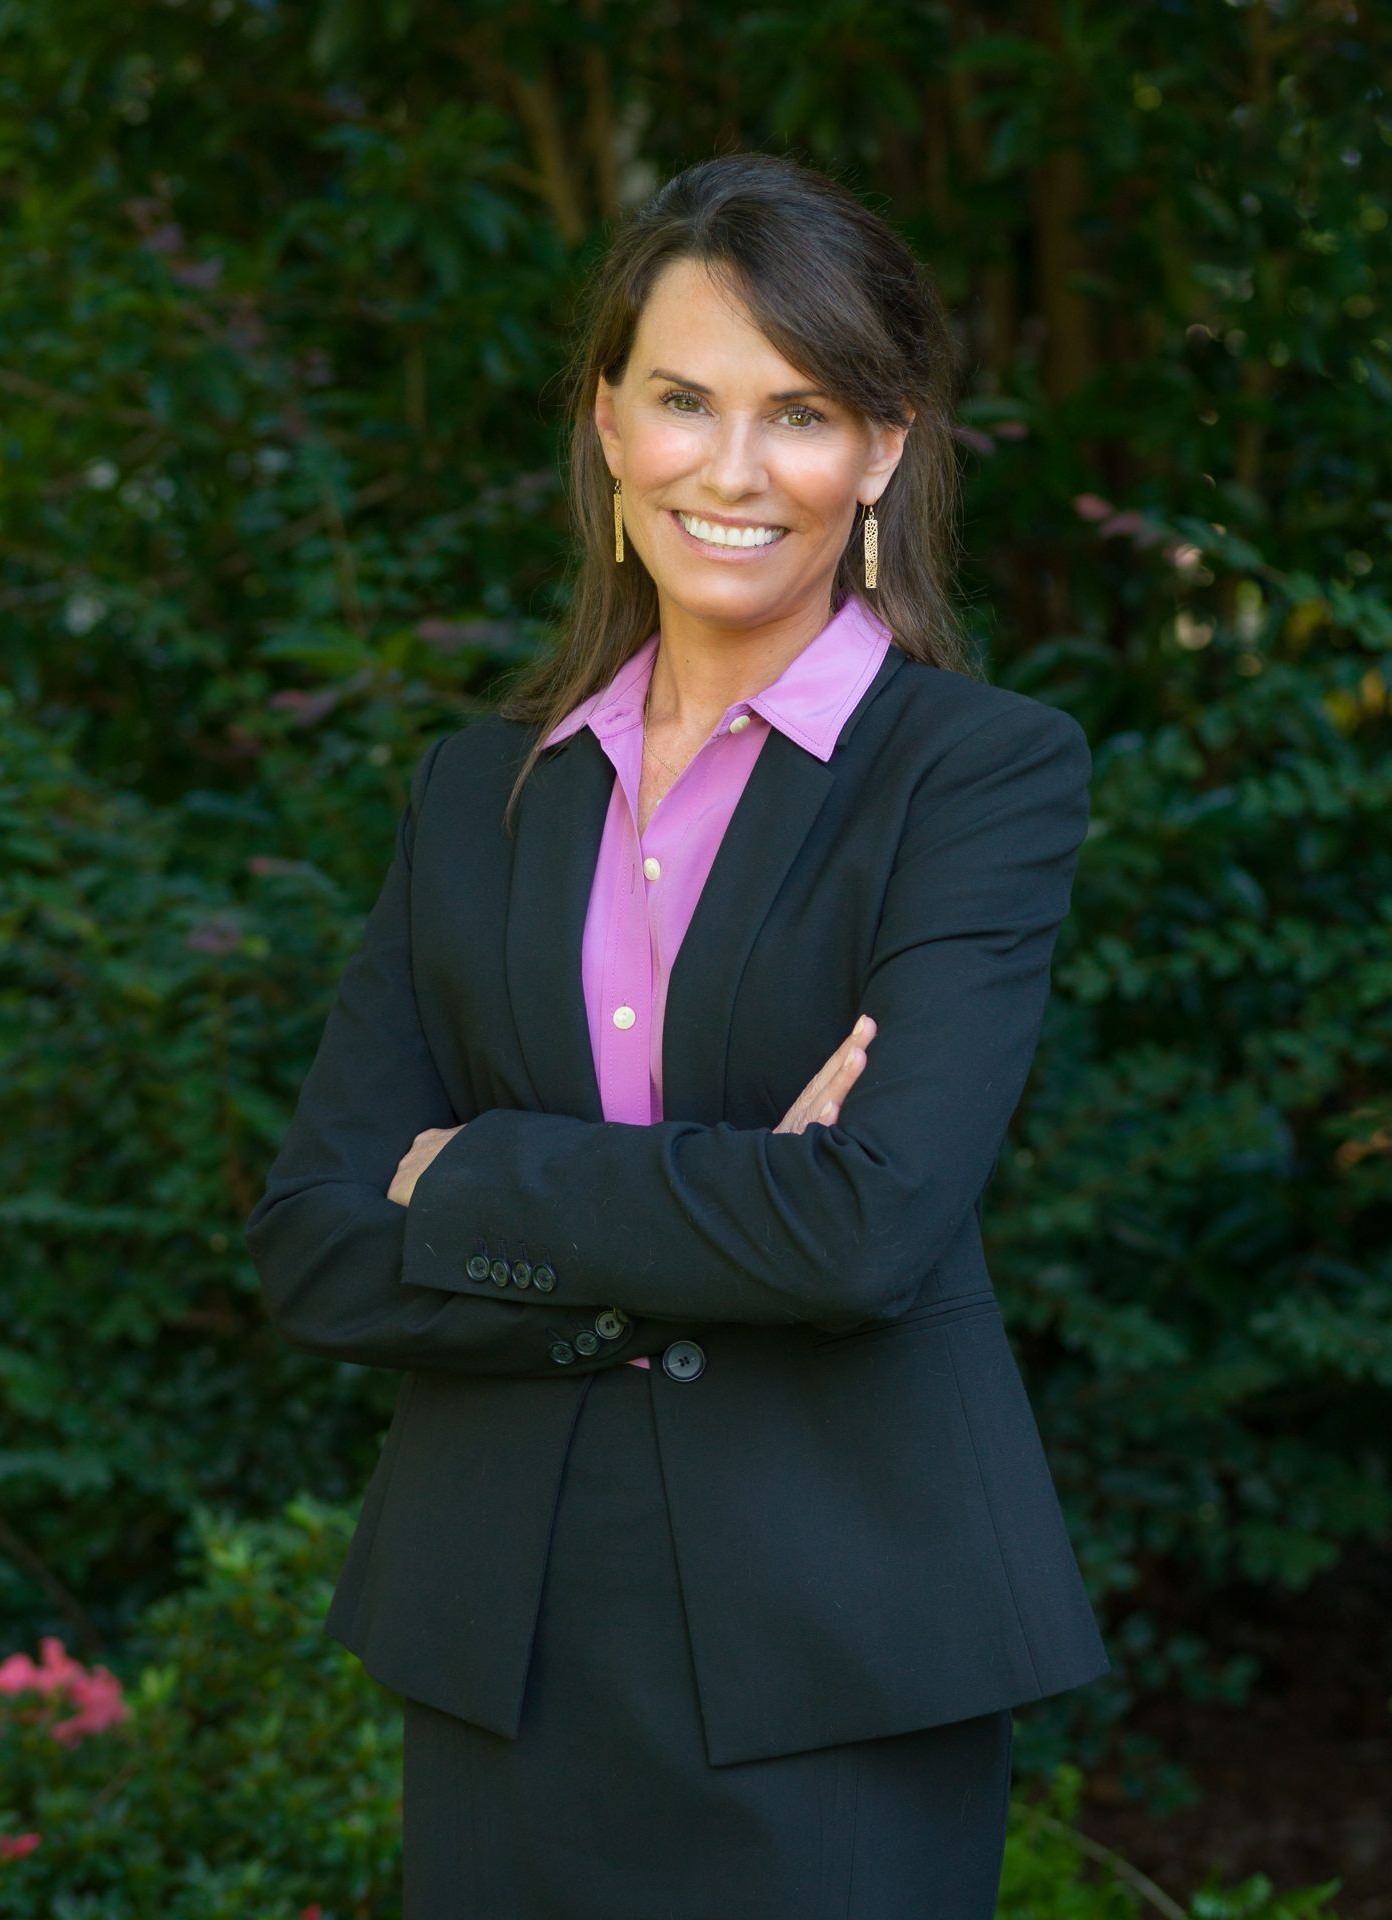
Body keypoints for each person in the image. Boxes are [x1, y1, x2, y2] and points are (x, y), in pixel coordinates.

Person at [244, 149, 1111, 1919]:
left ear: (882, 452)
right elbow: (320, 1247)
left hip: (840, 1644)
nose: (733, 469)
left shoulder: (980, 774)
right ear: (607, 426)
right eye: (683, 401)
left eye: (799, 412)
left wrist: (480, 1183)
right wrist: (734, 1212)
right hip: (509, 1636)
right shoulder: (478, 791)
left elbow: (868, 1225)